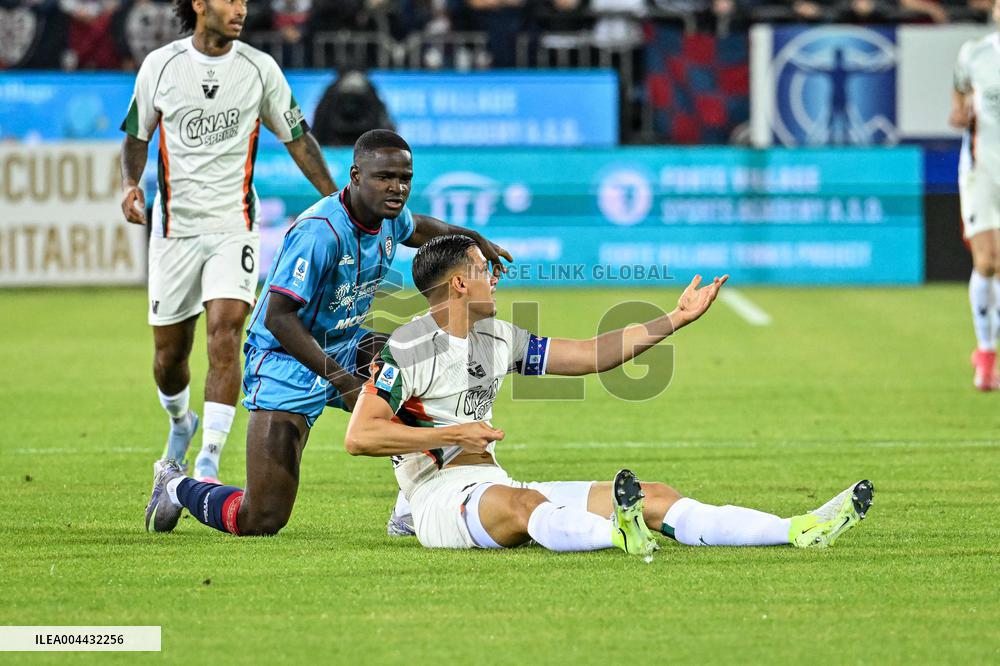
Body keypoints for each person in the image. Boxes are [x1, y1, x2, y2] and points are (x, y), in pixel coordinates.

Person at [339, 235, 874, 554]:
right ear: (458, 285)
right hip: (438, 500)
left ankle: (799, 528)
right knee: (525, 506)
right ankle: (620, 534)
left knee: (653, 492)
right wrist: (457, 432)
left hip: (490, 482)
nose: (495, 278)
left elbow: (590, 354)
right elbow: (359, 435)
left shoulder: (498, 335)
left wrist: (675, 319)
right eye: (483, 270)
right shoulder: (408, 346)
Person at [143, 131, 513, 537]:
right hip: (285, 361)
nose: (397, 188)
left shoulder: (389, 217)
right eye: (385, 177)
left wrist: (474, 240)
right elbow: (280, 319)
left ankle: (411, 503)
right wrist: (343, 381)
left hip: (346, 344)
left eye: (405, 178)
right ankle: (176, 485)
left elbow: (422, 227)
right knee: (263, 517)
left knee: (419, 364)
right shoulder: (319, 233)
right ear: (355, 176)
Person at [120, 0, 339, 485]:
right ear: (199, 4)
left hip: (234, 225)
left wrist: (335, 200)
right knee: (169, 358)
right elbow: (138, 133)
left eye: (243, 1)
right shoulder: (161, 66)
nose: (240, 9)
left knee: (227, 332)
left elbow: (298, 138)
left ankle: (208, 462)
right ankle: (182, 422)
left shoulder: (260, 69)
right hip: (174, 230)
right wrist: (130, 183)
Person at [952, 4, 1000, 390]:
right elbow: (960, 92)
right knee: (987, 261)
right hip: (980, 169)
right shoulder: (975, 53)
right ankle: (985, 354)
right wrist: (958, 111)